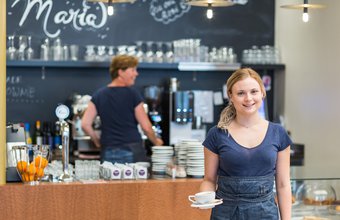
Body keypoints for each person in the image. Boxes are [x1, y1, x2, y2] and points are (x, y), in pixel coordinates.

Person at [199, 68, 292, 220]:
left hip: (266, 215)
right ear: (231, 96)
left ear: (262, 92)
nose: (248, 98)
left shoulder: (278, 133)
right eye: (241, 93)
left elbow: (283, 184)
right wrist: (205, 198)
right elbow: (209, 180)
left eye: (254, 91)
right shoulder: (216, 134)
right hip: (225, 214)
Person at [81, 55, 163, 164]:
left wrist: (97, 142)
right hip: (132, 150)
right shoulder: (133, 94)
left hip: (108, 151)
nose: (136, 74)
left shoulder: (99, 94)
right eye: (133, 70)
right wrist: (157, 142)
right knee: (133, 181)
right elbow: (146, 127)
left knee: (110, 180)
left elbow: (85, 124)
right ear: (120, 72)